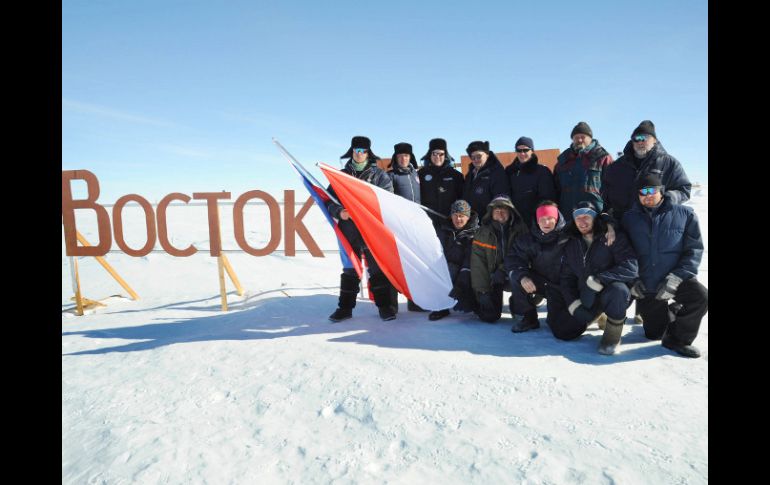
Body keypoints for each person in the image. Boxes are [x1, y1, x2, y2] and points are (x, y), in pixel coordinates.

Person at [621, 173, 708, 358]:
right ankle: (673, 311)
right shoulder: (629, 218)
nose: (647, 195)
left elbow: (694, 250)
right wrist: (633, 279)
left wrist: (676, 279)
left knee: (701, 297)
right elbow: (622, 253)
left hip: (676, 278)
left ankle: (678, 339)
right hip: (647, 285)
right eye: (642, 192)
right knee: (654, 333)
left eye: (651, 190)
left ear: (662, 191)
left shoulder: (685, 214)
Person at [326, 136, 398, 322]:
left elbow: (388, 201)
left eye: (363, 151)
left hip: (372, 231)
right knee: (350, 270)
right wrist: (339, 211)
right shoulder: (340, 176)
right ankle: (345, 308)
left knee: (377, 269)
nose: (359, 154)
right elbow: (327, 201)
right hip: (349, 231)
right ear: (352, 152)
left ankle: (384, 307)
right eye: (356, 150)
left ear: (368, 153)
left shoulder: (380, 176)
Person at [554, 201, 638, 355]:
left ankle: (612, 336)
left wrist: (599, 280)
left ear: (595, 218)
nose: (582, 221)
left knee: (618, 290)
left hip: (609, 294)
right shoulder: (572, 242)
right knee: (562, 331)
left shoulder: (612, 236)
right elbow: (567, 277)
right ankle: (597, 314)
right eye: (578, 218)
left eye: (587, 216)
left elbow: (631, 267)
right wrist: (573, 303)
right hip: (586, 296)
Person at [602, 120, 692, 223]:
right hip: (622, 225)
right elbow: (605, 194)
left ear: (654, 140)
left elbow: (684, 189)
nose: (640, 142)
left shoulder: (669, 163)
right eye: (636, 139)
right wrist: (607, 218)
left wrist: (666, 198)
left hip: (654, 225)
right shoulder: (616, 166)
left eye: (644, 138)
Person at [504, 200, 569, 333]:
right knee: (516, 276)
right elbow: (514, 259)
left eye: (550, 218)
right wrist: (522, 276)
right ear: (537, 220)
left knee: (558, 326)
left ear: (556, 219)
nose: (546, 223)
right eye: (542, 219)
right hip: (540, 282)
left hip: (562, 287)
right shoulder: (528, 239)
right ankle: (529, 317)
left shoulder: (569, 237)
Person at [470, 195, 528, 323]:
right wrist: (483, 291)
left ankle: (519, 303)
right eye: (497, 211)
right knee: (489, 316)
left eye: (504, 210)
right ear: (491, 214)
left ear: (511, 212)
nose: (500, 214)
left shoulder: (521, 230)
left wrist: (503, 269)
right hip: (493, 278)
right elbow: (478, 264)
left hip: (515, 274)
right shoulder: (482, 233)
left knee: (522, 280)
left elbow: (523, 256)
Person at [388, 142, 426, 312]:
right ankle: (391, 304)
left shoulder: (417, 175)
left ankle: (415, 301)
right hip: (400, 227)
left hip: (417, 226)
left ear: (411, 157)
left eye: (406, 155)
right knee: (398, 265)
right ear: (395, 158)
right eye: (400, 156)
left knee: (415, 264)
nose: (403, 159)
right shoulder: (391, 176)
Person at [428, 199, 480, 321]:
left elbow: (471, 260)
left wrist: (462, 281)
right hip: (447, 268)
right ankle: (441, 307)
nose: (458, 219)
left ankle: (473, 302)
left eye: (461, 216)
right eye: (455, 216)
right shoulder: (443, 230)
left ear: (468, 217)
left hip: (467, 270)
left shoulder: (475, 233)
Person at [553, 122, 613, 220]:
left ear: (590, 138)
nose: (579, 140)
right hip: (568, 218)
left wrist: (608, 216)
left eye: (583, 137)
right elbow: (555, 190)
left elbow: (613, 189)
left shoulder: (602, 158)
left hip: (595, 218)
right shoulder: (563, 161)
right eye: (576, 137)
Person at [505, 136, 557, 228]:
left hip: (535, 222)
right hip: (514, 223)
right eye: (519, 150)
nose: (522, 153)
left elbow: (547, 199)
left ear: (532, 151)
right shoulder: (509, 171)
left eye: (525, 150)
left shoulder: (542, 171)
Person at [418, 138, 464, 229]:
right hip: (428, 222)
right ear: (430, 155)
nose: (437, 157)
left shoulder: (456, 175)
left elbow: (462, 198)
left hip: (450, 222)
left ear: (446, 155)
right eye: (434, 153)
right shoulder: (421, 174)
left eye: (441, 154)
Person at [462, 140, 510, 217]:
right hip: (472, 222)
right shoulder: (470, 174)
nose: (476, 160)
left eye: (479, 156)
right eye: (473, 157)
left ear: (487, 155)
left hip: (488, 223)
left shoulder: (496, 173)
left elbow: (501, 201)